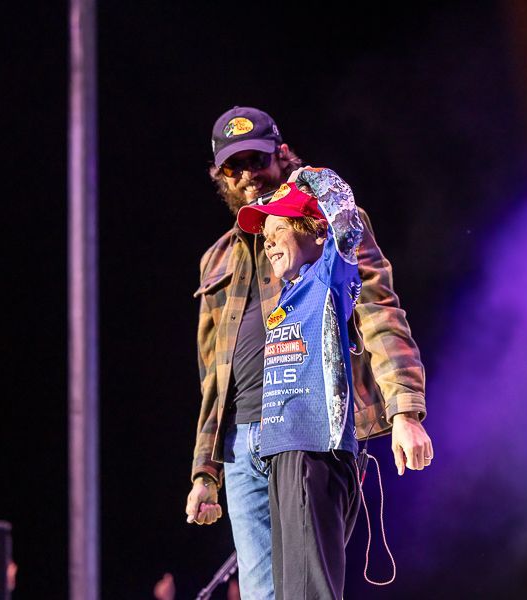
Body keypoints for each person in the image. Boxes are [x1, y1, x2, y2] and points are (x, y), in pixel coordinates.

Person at [185, 106, 433, 600]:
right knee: (262, 594)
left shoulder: (325, 217)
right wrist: (204, 471)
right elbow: (213, 376)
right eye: (234, 168)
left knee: (307, 588)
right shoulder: (215, 258)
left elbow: (378, 309)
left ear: (280, 154)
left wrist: (405, 409)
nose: (248, 176)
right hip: (239, 445)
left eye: (256, 160)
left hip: (308, 426)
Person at [236, 171, 363, 599]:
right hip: (282, 455)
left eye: (278, 230)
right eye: (264, 236)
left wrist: (309, 177)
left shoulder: (327, 279)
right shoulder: (286, 299)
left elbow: (346, 221)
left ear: (313, 231)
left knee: (311, 592)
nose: (268, 243)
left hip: (313, 452)